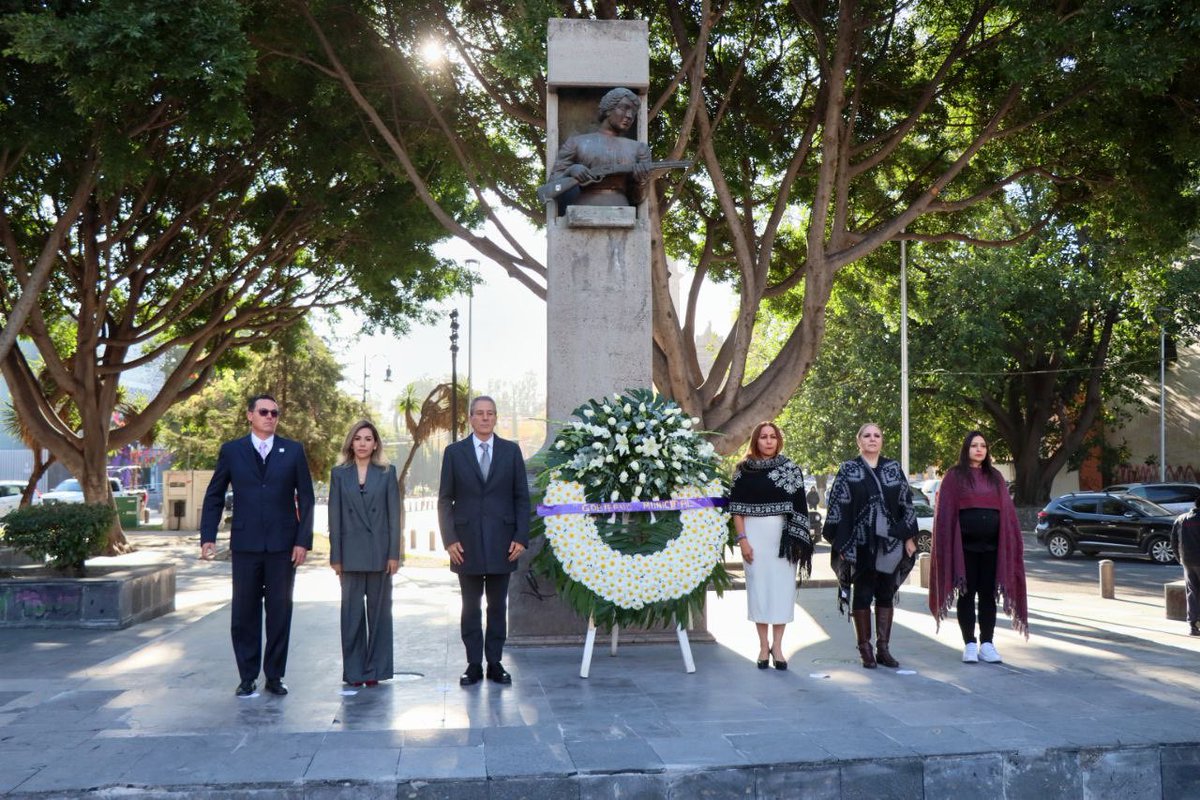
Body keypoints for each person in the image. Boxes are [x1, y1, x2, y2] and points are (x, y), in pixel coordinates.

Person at [200, 394, 315, 697]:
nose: (270, 417)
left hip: (282, 547)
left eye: (275, 412)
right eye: (263, 412)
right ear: (250, 415)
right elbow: (214, 496)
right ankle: (247, 676)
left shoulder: (292, 451)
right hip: (246, 545)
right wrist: (208, 537)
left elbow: (307, 498)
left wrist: (303, 541)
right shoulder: (232, 451)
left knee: (279, 613)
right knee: (244, 614)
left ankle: (275, 676)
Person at [438, 396, 530, 686]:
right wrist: (449, 540)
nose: (485, 418)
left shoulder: (511, 451)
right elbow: (444, 500)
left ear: (496, 417)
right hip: (466, 545)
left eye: (490, 413)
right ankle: (473, 664)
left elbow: (521, 498)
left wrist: (521, 537)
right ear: (470, 418)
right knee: (471, 606)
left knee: (496, 606)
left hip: (504, 543)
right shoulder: (454, 453)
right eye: (479, 413)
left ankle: (495, 662)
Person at [928, 432, 1028, 663]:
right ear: (966, 449)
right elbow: (944, 514)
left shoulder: (995, 477)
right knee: (966, 594)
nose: (979, 449)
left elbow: (1008, 514)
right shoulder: (954, 476)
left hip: (992, 548)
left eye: (983, 445)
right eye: (974, 445)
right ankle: (970, 644)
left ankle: (987, 644)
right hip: (964, 548)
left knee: (988, 596)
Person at [824, 423, 918, 669]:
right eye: (867, 435)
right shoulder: (849, 469)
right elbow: (837, 506)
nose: (872, 439)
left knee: (886, 593)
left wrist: (908, 537)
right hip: (861, 543)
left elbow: (905, 503)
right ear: (859, 441)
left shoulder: (893, 468)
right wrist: (842, 542)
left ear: (882, 440)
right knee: (863, 593)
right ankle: (865, 648)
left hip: (891, 542)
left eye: (877, 435)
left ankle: (883, 649)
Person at [728, 422, 814, 671]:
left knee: (781, 592)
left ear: (778, 440)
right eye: (764, 437)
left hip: (783, 540)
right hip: (754, 537)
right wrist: (742, 540)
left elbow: (800, 508)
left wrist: (797, 543)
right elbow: (737, 510)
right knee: (759, 590)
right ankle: (763, 646)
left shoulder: (790, 469)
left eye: (773, 437)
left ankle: (778, 647)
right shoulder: (743, 471)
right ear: (755, 440)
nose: (768, 441)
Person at [328, 420, 401, 687]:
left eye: (368, 439)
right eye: (358, 438)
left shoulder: (386, 472)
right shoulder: (338, 473)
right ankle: (355, 672)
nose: (362, 443)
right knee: (351, 616)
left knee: (380, 615)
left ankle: (376, 671)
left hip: (380, 554)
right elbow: (334, 518)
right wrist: (336, 557)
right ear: (350, 442)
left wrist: (394, 554)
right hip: (349, 555)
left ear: (375, 444)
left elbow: (395, 516)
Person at [548, 87, 652, 207]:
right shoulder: (576, 143)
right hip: (582, 211)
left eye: (633, 112)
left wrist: (641, 181)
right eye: (624, 108)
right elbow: (553, 184)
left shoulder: (639, 149)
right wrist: (571, 171)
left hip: (622, 211)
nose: (629, 115)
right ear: (608, 109)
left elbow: (638, 198)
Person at [1170, 496, 1200, 637]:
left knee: (1192, 592)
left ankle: (1193, 625)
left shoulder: (1181, 519)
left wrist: (1180, 559)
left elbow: (1173, 541)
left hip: (1188, 561)